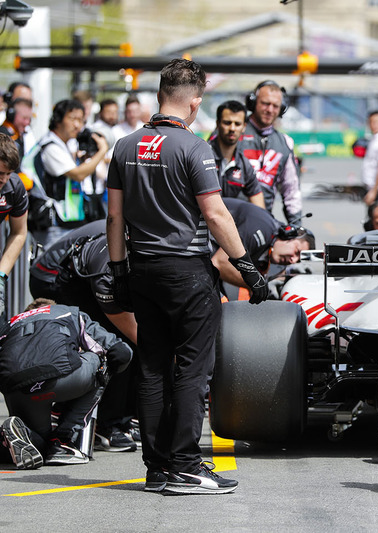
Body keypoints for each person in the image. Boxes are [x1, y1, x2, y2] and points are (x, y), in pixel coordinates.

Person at [106, 59, 269, 494]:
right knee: (194, 370)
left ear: (161, 94)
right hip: (186, 272)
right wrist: (248, 268)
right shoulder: (195, 149)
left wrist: (120, 272)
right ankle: (184, 464)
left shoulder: (124, 146)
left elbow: (114, 218)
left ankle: (157, 467)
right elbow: (215, 214)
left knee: (153, 368)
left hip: (142, 270)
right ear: (194, 103)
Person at [29, 219, 139, 452]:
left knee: (133, 341)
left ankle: (125, 416)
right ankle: (106, 425)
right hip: (52, 277)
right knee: (117, 343)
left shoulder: (145, 238)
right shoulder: (110, 258)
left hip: (82, 271)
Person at [0, 298, 132, 468]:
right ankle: (62, 441)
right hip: (58, 377)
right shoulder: (69, 311)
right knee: (102, 359)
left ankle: (19, 433)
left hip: (17, 388)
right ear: (51, 307)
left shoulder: (12, 323)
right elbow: (121, 352)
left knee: (36, 443)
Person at [32, 99, 109, 248]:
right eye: (73, 119)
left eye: (81, 120)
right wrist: (102, 152)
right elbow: (78, 174)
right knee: (54, 268)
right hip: (54, 225)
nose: (77, 125)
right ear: (58, 119)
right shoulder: (50, 147)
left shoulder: (63, 145)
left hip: (65, 222)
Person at [211, 198, 314, 289]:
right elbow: (220, 263)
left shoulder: (271, 240)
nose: (293, 260)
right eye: (296, 251)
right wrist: (258, 285)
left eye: (298, 260)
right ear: (288, 235)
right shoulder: (262, 230)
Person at [240, 80, 303, 224]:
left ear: (282, 109)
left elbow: (291, 191)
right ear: (253, 102)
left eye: (275, 106)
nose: (270, 110)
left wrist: (297, 227)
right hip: (228, 220)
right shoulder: (233, 131)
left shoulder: (285, 143)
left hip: (261, 222)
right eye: (265, 103)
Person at [209, 100, 265, 208]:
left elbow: (260, 208)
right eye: (227, 123)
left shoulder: (244, 164)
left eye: (237, 124)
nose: (232, 128)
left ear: (244, 127)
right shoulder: (201, 155)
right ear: (217, 124)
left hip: (229, 222)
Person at [0, 134, 29, 321]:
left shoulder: (14, 186)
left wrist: (1, 276)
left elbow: (19, 232)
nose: (3, 179)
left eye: (8, 173)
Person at [0, 97, 33, 164]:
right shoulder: (3, 134)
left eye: (29, 119)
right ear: (12, 115)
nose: (27, 122)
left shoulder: (19, 135)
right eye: (24, 118)